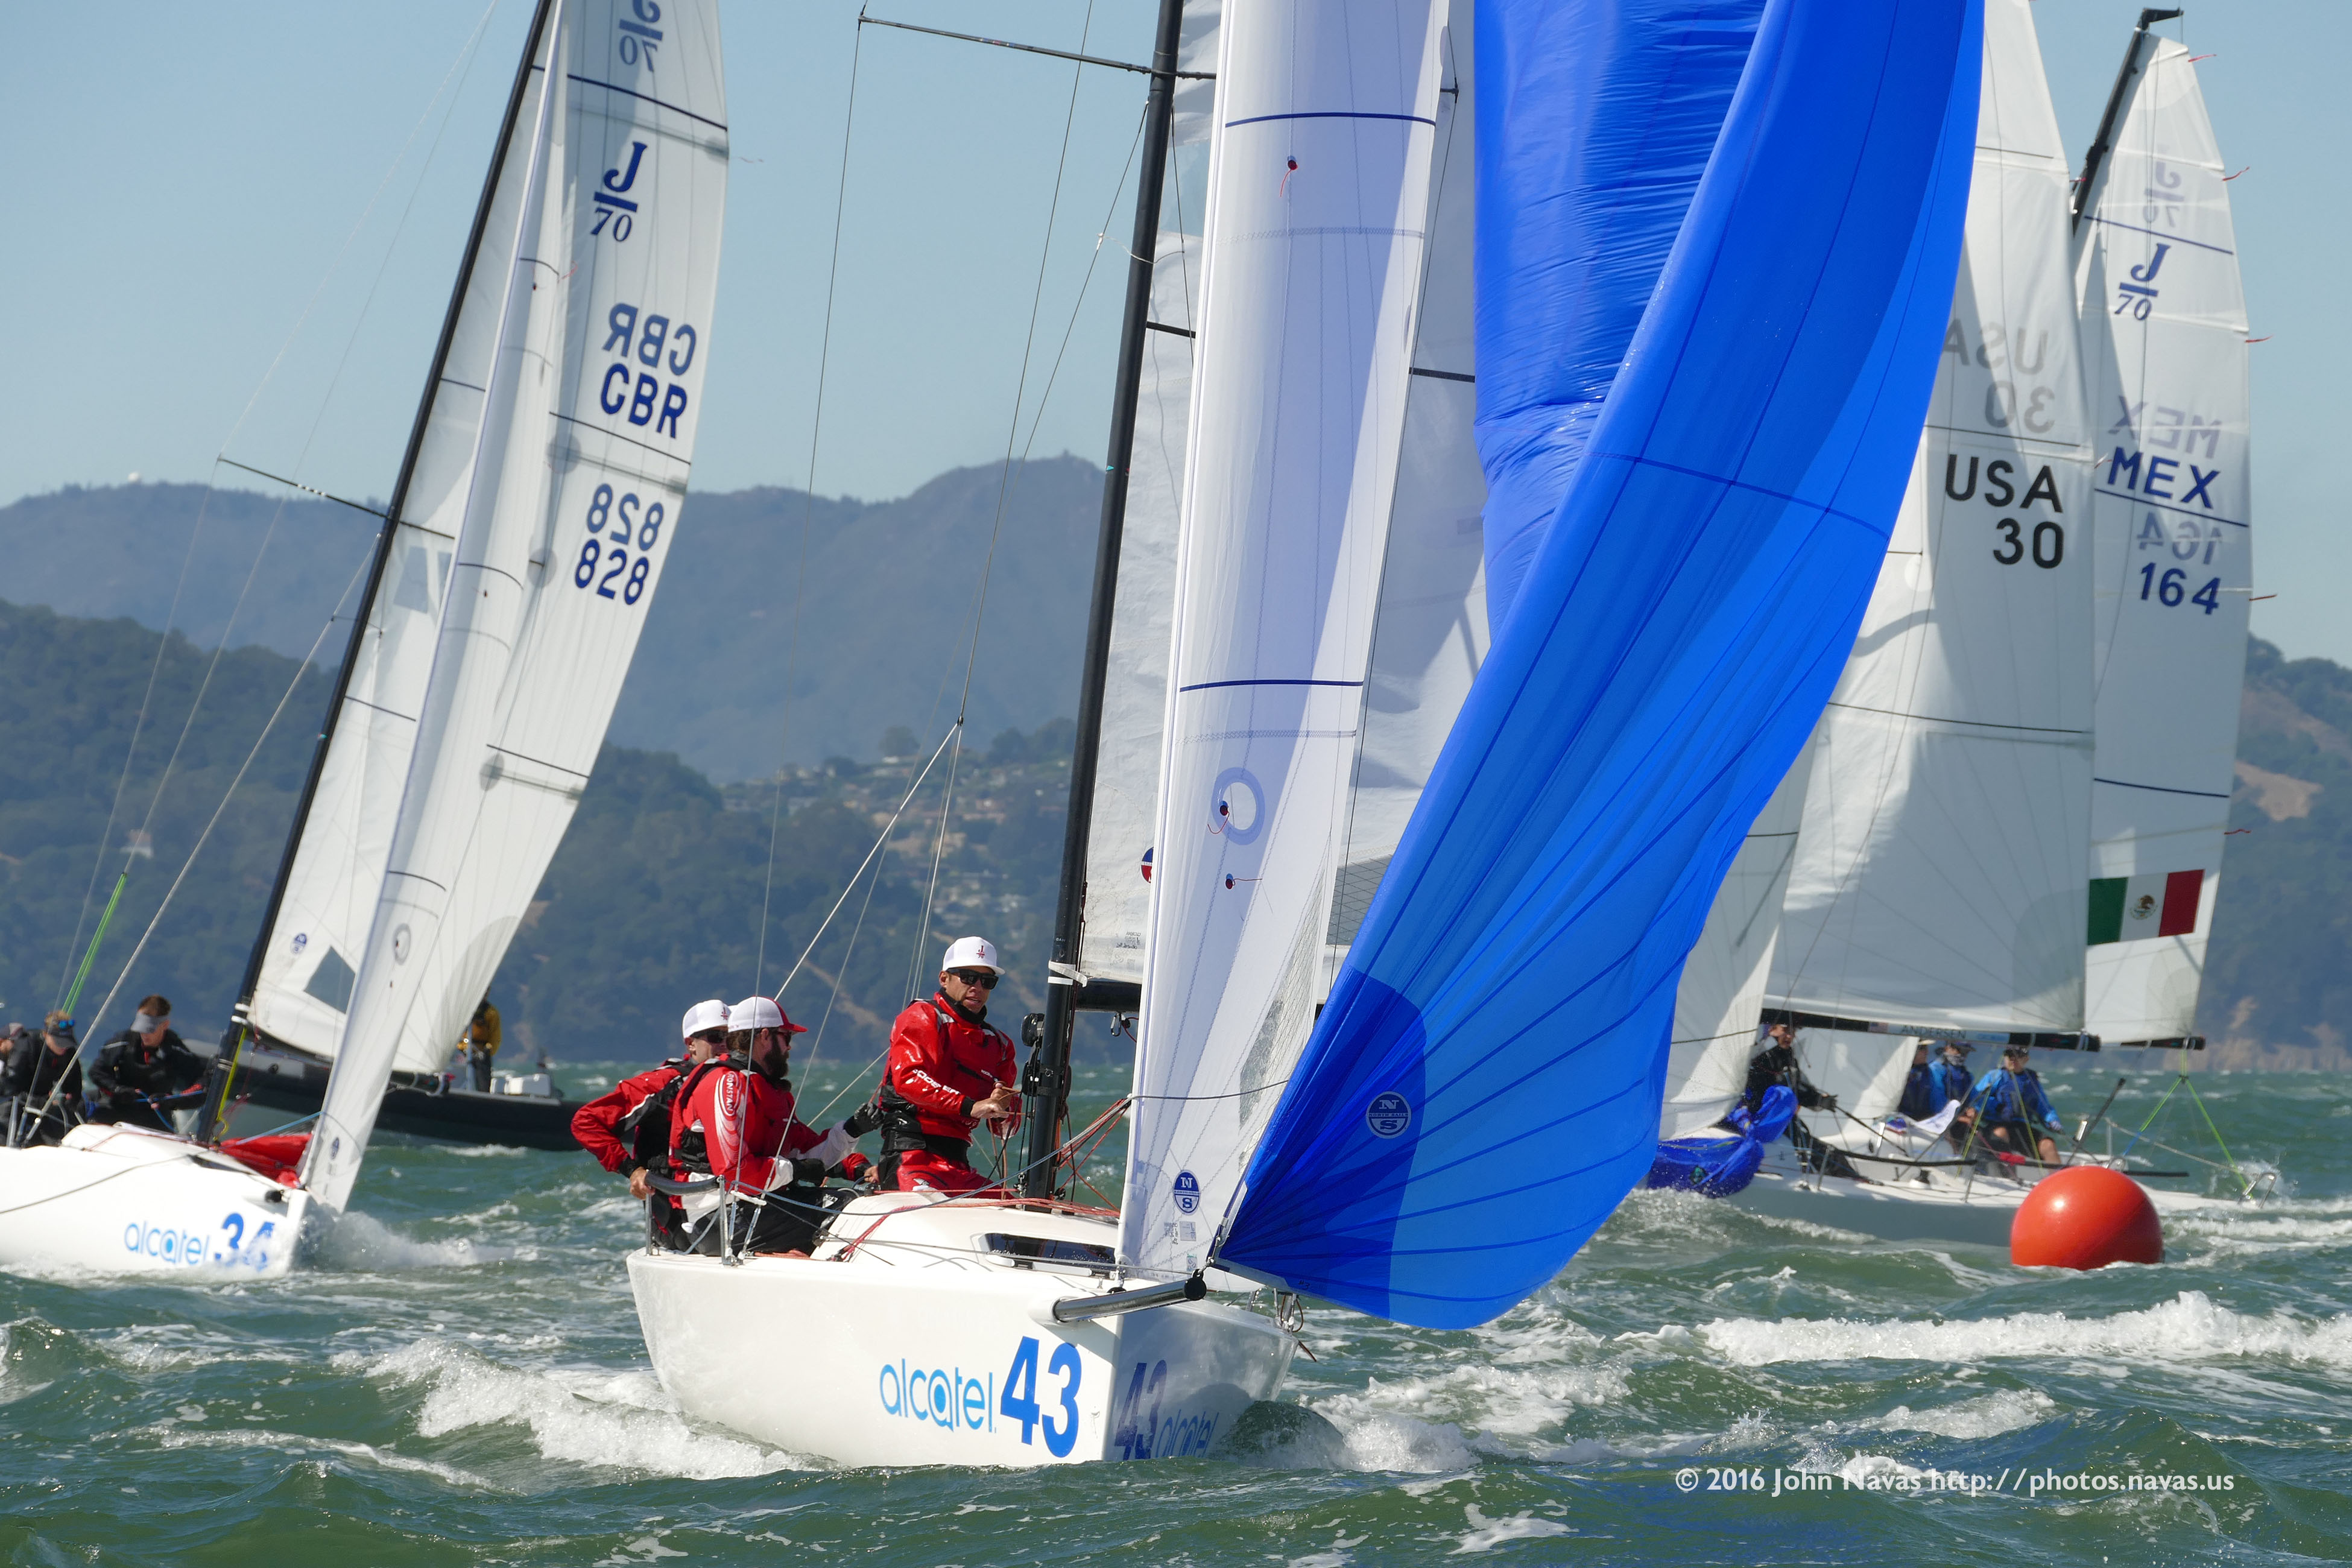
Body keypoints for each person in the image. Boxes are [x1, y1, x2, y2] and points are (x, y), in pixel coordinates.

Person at [669, 996, 870, 1255]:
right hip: (718, 1218)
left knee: (853, 1201)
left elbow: (806, 1151)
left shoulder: (768, 1089)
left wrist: (853, 1129)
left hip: (753, 1205)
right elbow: (734, 1172)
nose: (789, 1047)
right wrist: (795, 1171)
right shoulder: (727, 1083)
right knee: (847, 1206)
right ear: (765, 1036)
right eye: (786, 1037)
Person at [570, 999, 729, 1247]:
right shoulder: (663, 1084)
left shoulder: (738, 1084)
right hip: (677, 1213)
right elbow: (586, 1121)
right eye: (716, 1037)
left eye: (733, 1038)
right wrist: (632, 1171)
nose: (725, 1045)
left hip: (725, 1199)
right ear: (691, 1044)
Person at [874, 937, 1021, 1195]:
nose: (977, 987)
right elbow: (909, 1079)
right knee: (926, 1209)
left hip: (958, 1165)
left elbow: (1003, 1130)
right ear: (944, 979)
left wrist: (1006, 1110)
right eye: (968, 977)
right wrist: (971, 1107)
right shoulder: (923, 1016)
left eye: (987, 981)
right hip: (912, 1157)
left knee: (1017, 1209)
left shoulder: (1000, 1044)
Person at [1737, 1023, 1865, 1181]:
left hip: (1780, 1119)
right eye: (1785, 1031)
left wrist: (1819, 1101)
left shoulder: (1786, 1056)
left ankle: (1847, 1178)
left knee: (1822, 1149)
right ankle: (1846, 1178)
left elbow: (1796, 1088)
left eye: (1793, 1032)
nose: (1790, 1036)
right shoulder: (1759, 1055)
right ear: (1771, 1029)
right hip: (1761, 1120)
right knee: (1816, 1149)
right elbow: (1765, 1090)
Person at [89, 996, 204, 1131]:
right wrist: (117, 1089)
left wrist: (171, 1101)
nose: (145, 1034)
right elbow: (96, 1072)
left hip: (155, 1118)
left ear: (165, 1025)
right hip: (117, 1110)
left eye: (150, 1029)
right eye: (142, 1028)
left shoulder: (176, 1051)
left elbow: (201, 1084)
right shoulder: (122, 1042)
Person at [1970, 1045, 2061, 1165]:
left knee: (2048, 1145)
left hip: (2021, 1127)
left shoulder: (2032, 1081)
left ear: (2026, 1059)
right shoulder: (1995, 1076)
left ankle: (2059, 1175)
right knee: (2001, 1133)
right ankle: (2005, 1172)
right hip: (1996, 1125)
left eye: (2018, 1056)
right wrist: (1995, 1106)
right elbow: (1977, 1097)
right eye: (2010, 1056)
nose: (2013, 1059)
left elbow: (2044, 1107)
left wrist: (2053, 1121)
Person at [3, 1013, 84, 1145]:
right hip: (16, 1104)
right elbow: (10, 1084)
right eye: (59, 1042)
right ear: (46, 1034)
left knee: (51, 1139)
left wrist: (71, 1099)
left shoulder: (68, 1052)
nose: (63, 1047)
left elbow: (74, 1084)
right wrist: (29, 1099)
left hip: (43, 1107)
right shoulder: (27, 1045)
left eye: (66, 1042)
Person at [461, 997, 502, 1092]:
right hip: (463, 1051)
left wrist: (488, 1050)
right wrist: (462, 1046)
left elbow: (495, 1038)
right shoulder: (463, 1009)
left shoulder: (491, 1012)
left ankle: (482, 1094)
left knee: (483, 1084)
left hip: (481, 1054)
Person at [1897, 1042, 1939, 1121]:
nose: (1927, 1052)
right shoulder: (1900, 1071)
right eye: (1923, 1049)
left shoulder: (1929, 1071)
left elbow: (1936, 1098)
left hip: (1924, 1121)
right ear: (1914, 1050)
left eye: (1926, 1049)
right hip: (1902, 1119)